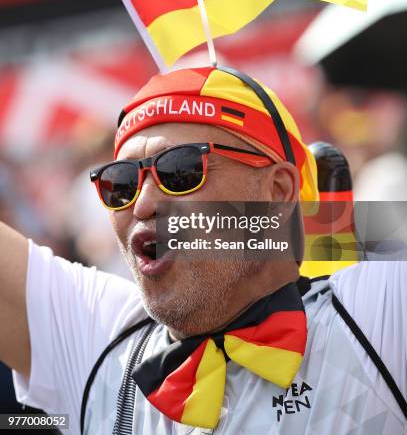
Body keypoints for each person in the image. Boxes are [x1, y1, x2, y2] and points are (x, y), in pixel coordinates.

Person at [0, 66, 406, 435]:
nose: (142, 204)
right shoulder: (102, 346)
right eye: (119, 183)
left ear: (277, 191)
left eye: (180, 171)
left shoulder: (377, 314)